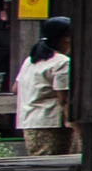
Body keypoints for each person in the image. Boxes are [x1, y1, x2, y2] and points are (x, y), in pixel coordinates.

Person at [13, 19, 73, 156]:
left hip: (30, 123)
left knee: (39, 162)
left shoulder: (31, 60)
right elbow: (64, 99)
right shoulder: (62, 62)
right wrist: (76, 127)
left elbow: (15, 88)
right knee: (55, 163)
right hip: (51, 124)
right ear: (66, 38)